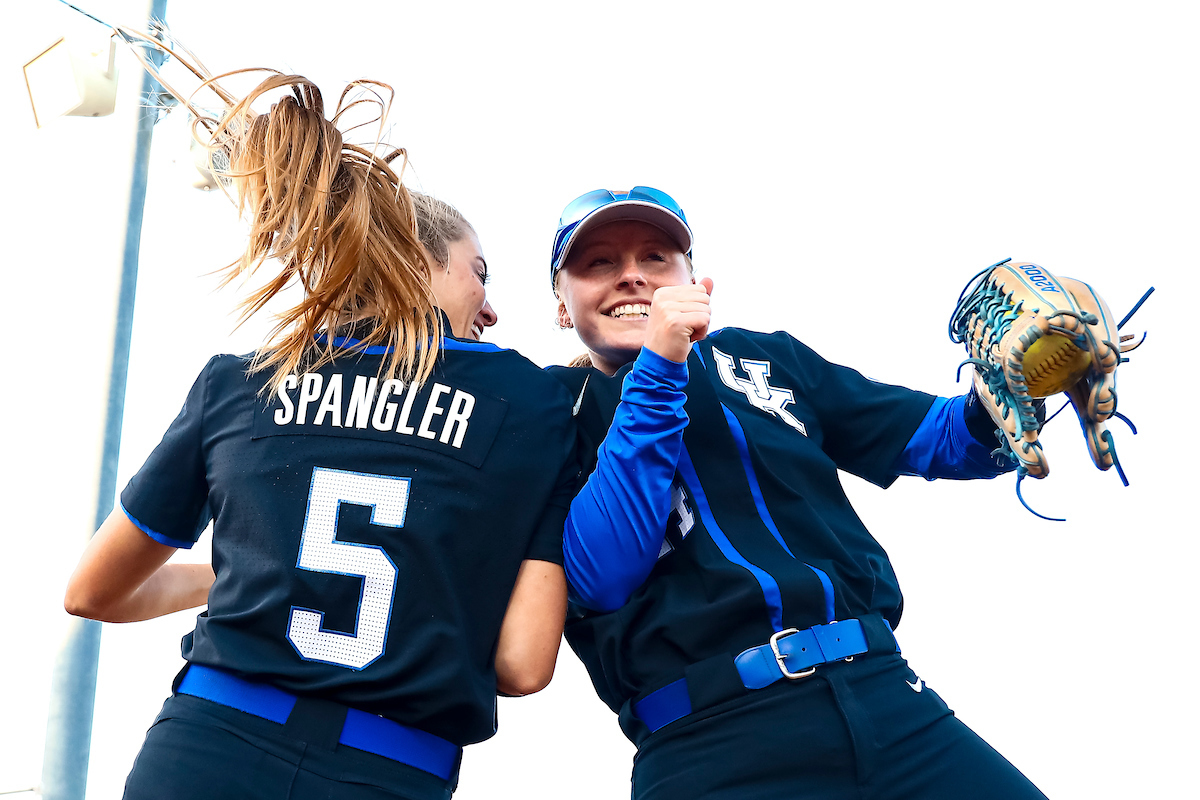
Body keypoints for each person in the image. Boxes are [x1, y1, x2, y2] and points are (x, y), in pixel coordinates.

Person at [64, 72, 577, 800]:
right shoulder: (534, 402)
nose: (490, 310)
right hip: (394, 769)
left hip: (205, 746)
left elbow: (92, 592)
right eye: (479, 275)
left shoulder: (242, 379)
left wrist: (261, 575)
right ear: (413, 259)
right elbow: (523, 665)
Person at [547, 187, 1049, 799]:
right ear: (562, 305)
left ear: (693, 280)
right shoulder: (548, 412)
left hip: (884, 697)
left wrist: (1015, 392)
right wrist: (660, 366)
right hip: (708, 743)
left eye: (656, 258)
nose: (631, 277)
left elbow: (932, 436)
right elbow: (601, 575)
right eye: (598, 263)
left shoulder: (764, 359)